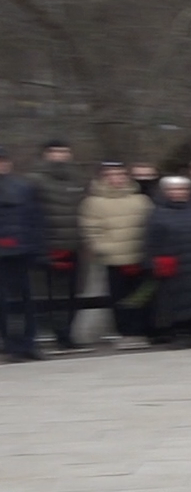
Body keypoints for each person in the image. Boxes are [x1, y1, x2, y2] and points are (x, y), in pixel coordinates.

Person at [78, 161, 153, 347]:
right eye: (111, 175)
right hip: (115, 258)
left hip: (140, 256)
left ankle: (144, 330)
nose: (116, 179)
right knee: (120, 298)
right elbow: (90, 229)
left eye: (120, 175)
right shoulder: (93, 202)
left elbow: (152, 225)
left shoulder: (141, 200)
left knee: (142, 295)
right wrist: (103, 248)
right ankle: (126, 333)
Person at [143, 176, 191, 349]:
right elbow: (150, 240)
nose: (179, 193)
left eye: (183, 189)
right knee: (173, 300)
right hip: (171, 264)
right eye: (174, 190)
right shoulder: (158, 212)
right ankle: (176, 333)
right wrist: (151, 262)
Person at [31, 141, 87, 350]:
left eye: (64, 151)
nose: (60, 156)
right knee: (49, 293)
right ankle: (48, 333)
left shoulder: (77, 179)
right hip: (49, 246)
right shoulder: (35, 180)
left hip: (74, 246)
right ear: (46, 154)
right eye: (55, 152)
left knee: (72, 293)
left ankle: (67, 334)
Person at [0, 147, 46, 362]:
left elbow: (35, 220)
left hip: (21, 252)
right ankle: (10, 344)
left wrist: (37, 249)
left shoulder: (23, 186)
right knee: (5, 302)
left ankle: (28, 343)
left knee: (26, 300)